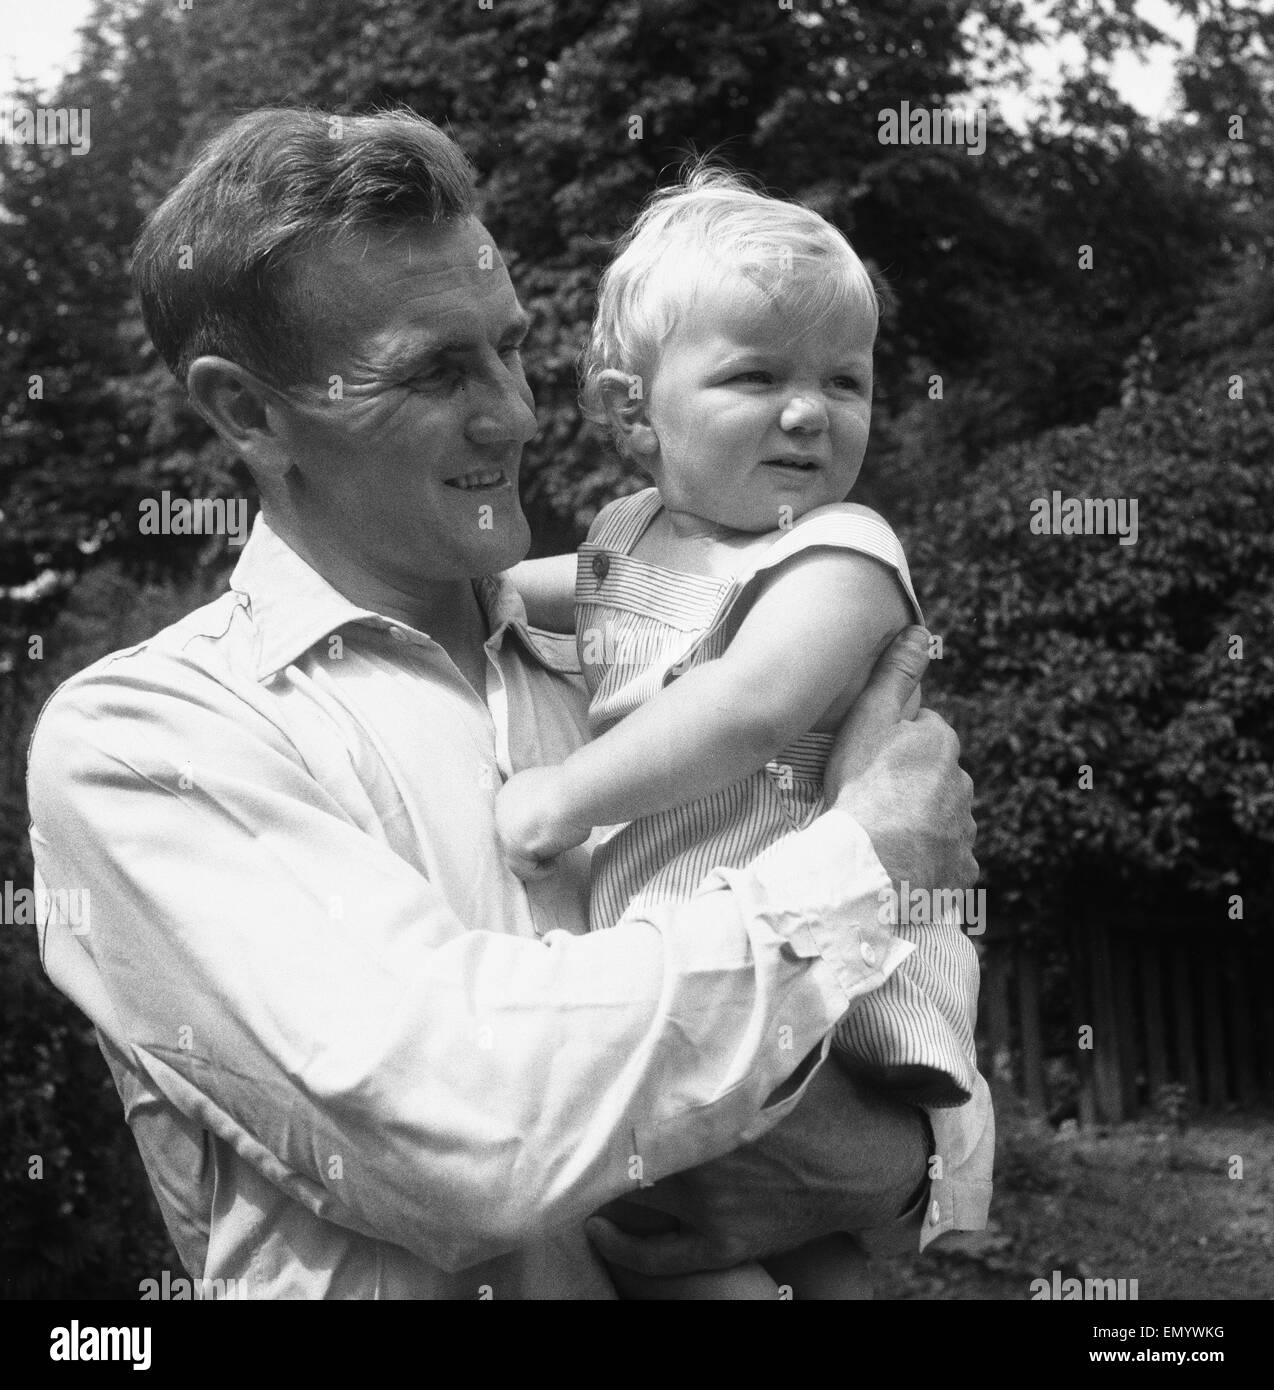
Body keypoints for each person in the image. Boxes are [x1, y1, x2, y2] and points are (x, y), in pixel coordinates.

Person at [25, 107, 991, 1300]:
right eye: (433, 369)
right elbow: (464, 1128)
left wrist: (888, 1170)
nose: (518, 415)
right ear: (248, 412)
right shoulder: (150, 738)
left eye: (510, 349)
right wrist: (861, 863)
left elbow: (916, 1107)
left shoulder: (647, 662)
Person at [498, 167, 978, 1298]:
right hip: (687, 929)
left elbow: (751, 700)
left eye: (843, 381)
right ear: (630, 409)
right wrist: (482, 590)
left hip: (805, 952)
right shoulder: (632, 530)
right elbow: (589, 586)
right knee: (707, 1240)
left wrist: (566, 795)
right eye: (755, 376)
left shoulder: (842, 554)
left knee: (735, 1228)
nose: (808, 411)